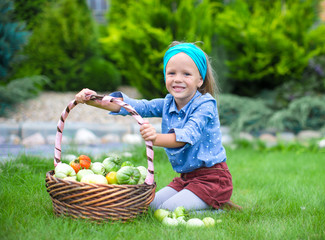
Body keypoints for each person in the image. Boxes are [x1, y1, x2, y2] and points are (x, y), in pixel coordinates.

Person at [75, 41, 242, 211]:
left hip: (212, 180)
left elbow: (188, 135)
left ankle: (217, 207)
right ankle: (206, 202)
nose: (178, 79)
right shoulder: (168, 103)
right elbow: (134, 106)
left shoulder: (205, 104)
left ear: (200, 80)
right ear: (165, 76)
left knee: (167, 210)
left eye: (186, 74)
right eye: (171, 73)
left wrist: (156, 137)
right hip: (186, 179)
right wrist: (92, 100)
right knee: (149, 206)